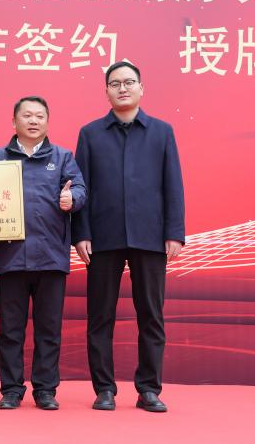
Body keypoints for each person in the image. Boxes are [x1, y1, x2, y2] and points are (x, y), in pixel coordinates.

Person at [72, 61, 185, 413]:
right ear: (106, 91)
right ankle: (104, 389)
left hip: (150, 236)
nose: (122, 88)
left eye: (129, 82)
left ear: (141, 88)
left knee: (151, 315)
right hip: (102, 238)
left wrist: (174, 232)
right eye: (115, 83)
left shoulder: (162, 132)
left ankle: (149, 389)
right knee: (100, 316)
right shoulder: (90, 134)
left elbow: (173, 184)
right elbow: (81, 187)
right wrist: (81, 233)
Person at [0, 96, 85, 410]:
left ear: (47, 122)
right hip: (12, 258)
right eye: (27, 115)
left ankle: (45, 390)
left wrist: (72, 200)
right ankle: (11, 389)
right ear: (14, 122)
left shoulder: (63, 157)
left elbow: (80, 188)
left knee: (48, 330)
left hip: (51, 257)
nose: (33, 121)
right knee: (11, 330)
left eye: (39, 116)